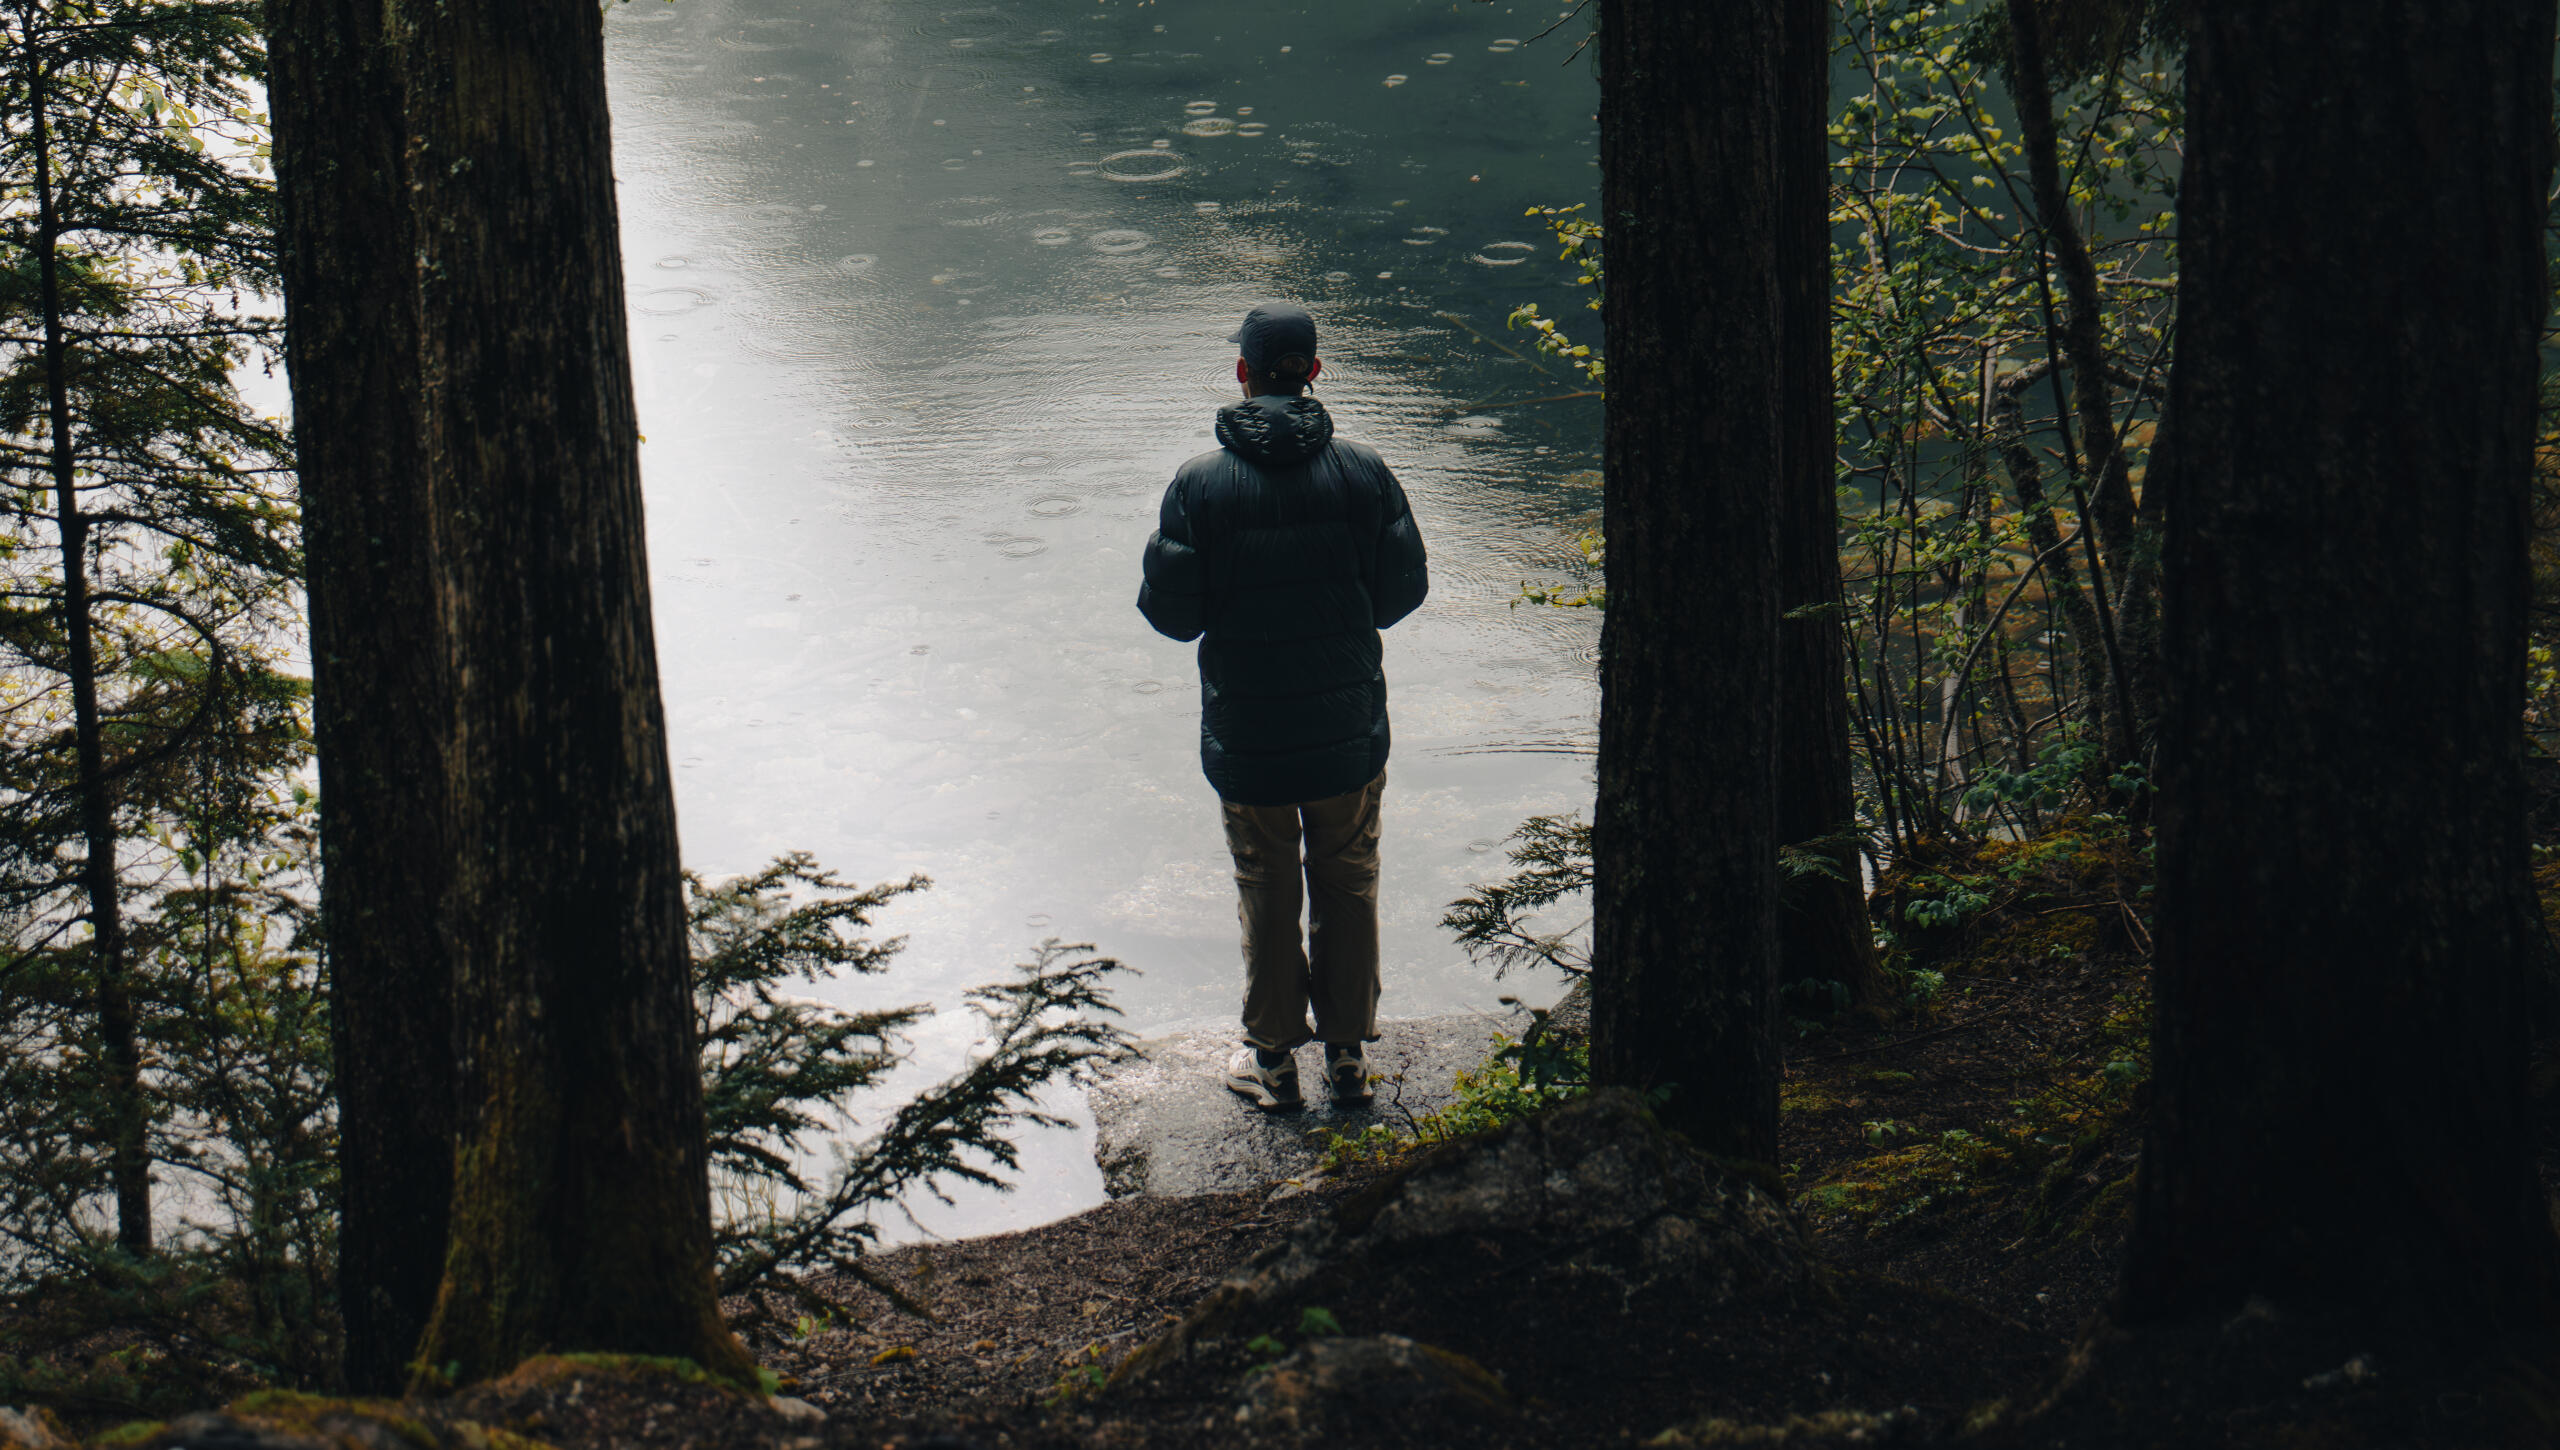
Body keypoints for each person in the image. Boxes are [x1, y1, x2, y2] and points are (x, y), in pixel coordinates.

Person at [1137, 302, 1429, 1112]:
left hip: (1250, 733)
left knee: (1266, 884)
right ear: (1313, 373)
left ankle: (1270, 1059)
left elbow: (1172, 616)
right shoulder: (1364, 472)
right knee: (1348, 879)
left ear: (1242, 375)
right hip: (1345, 732)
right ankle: (1347, 1056)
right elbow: (1402, 594)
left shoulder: (1199, 485)